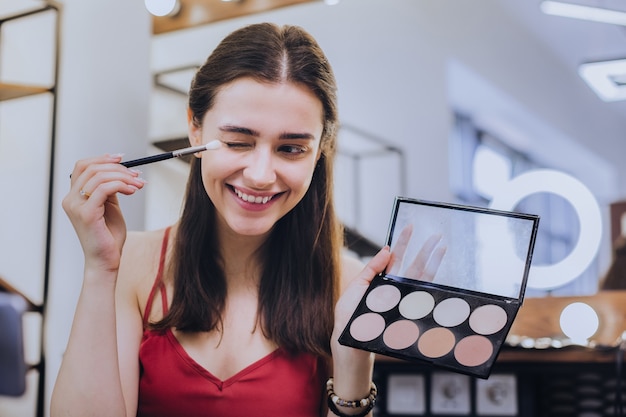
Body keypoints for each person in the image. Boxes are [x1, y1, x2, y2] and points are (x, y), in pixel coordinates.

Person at [51, 23, 394, 417]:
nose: (261, 174)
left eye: (291, 149)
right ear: (194, 127)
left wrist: (354, 368)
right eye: (236, 142)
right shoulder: (132, 264)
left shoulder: (347, 288)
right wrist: (99, 269)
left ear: (321, 150)